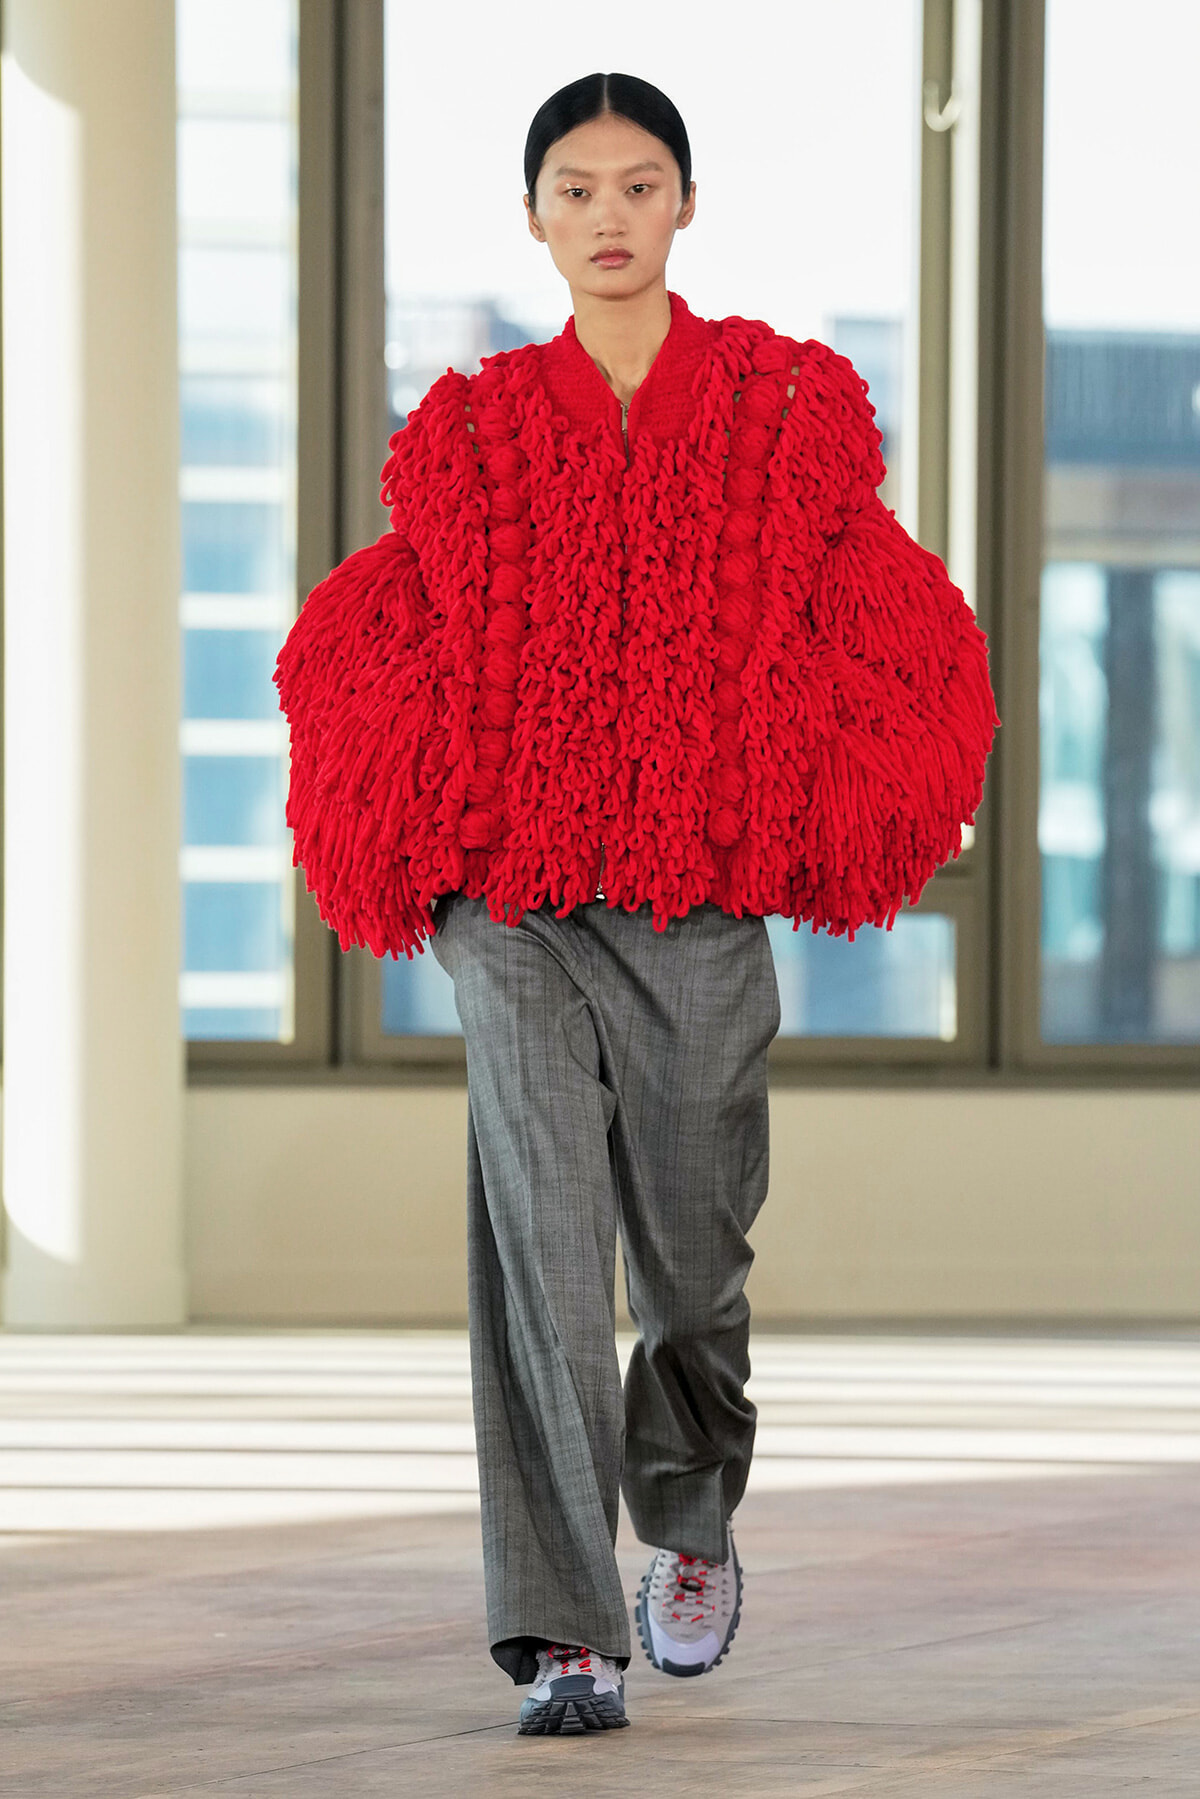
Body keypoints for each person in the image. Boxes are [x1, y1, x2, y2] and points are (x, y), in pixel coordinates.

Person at [274, 72, 999, 1738]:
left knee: (692, 1259)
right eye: (576, 188)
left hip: (696, 902)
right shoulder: (465, 434)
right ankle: (564, 1629)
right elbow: (381, 631)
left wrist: (836, 790)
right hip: (512, 896)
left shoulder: (780, 412)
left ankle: (688, 1518)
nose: (609, 215)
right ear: (533, 218)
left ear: (685, 207)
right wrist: (413, 817)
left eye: (640, 184)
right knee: (538, 1246)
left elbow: (897, 626)